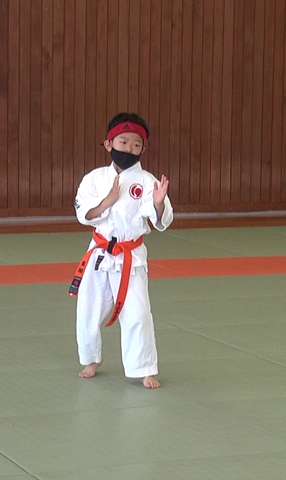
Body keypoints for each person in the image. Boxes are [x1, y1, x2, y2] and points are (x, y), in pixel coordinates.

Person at [69, 112, 173, 389]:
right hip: (99, 253)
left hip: (131, 257)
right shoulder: (94, 179)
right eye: (123, 142)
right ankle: (91, 359)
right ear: (108, 144)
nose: (128, 149)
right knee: (88, 309)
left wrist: (159, 203)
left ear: (143, 149)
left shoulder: (147, 181)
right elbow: (84, 214)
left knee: (138, 313)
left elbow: (160, 220)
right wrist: (108, 200)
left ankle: (144, 368)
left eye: (136, 145)